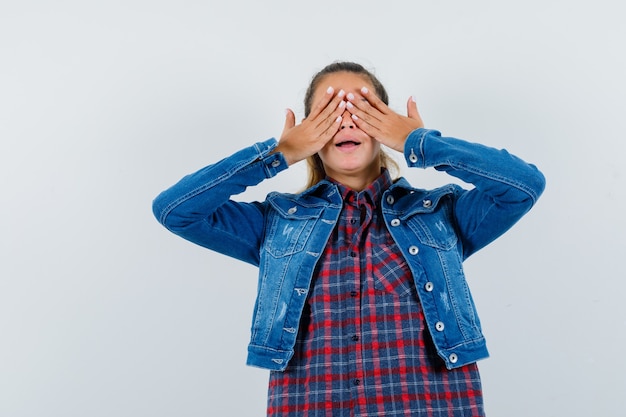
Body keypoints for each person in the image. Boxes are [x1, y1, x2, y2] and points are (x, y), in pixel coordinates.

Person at [152, 61, 545, 417]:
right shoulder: (275, 224)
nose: (347, 121)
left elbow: (523, 186)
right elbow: (175, 210)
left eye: (363, 109)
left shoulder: (442, 215)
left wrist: (420, 142)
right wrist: (277, 155)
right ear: (309, 132)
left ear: (386, 126)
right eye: (330, 113)